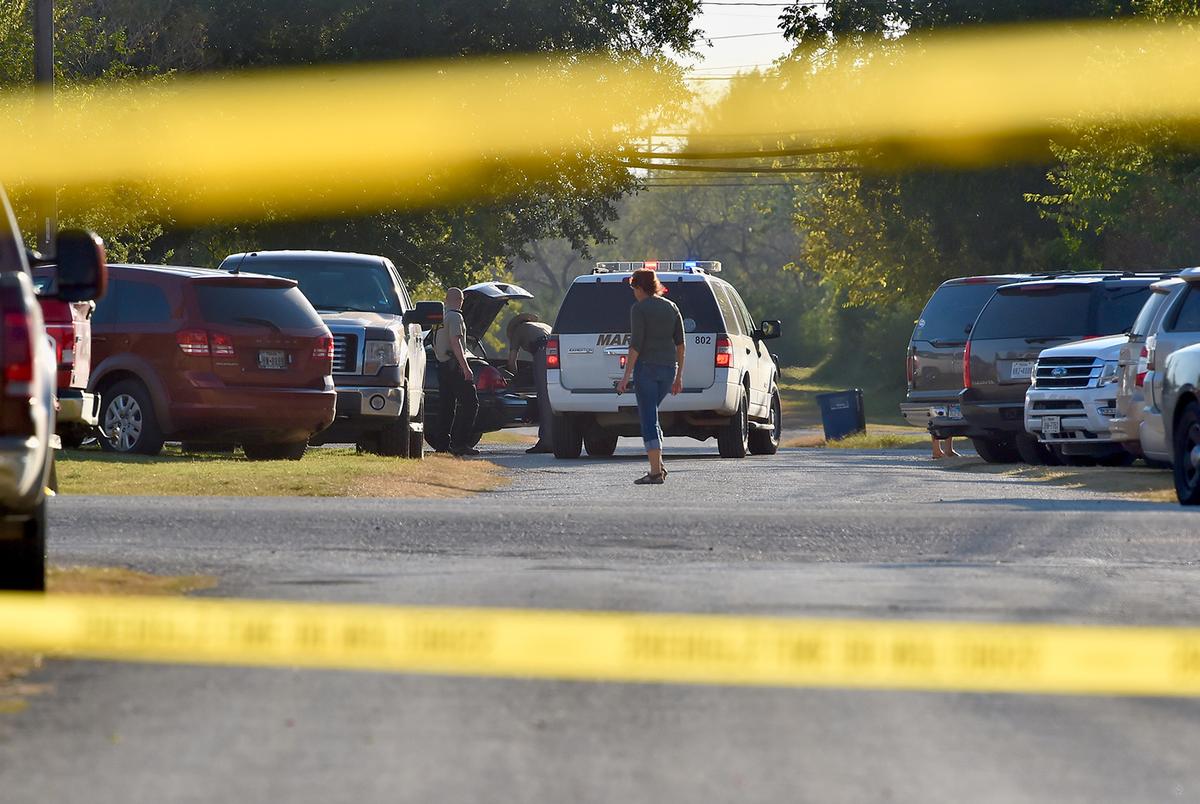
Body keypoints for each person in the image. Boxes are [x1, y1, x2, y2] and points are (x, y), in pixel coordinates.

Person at [616, 268, 685, 485]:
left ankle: (655, 472)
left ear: (639, 287)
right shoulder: (671, 307)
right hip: (668, 370)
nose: (633, 292)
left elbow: (636, 345)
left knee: (648, 418)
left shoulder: (639, 309)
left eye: (634, 288)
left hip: (646, 368)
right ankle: (660, 466)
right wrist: (678, 377)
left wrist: (626, 376)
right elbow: (681, 345)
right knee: (652, 413)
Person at [432, 287, 480, 456]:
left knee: (447, 406)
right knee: (470, 403)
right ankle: (460, 443)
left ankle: (442, 445)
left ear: (446, 299)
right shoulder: (456, 317)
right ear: (461, 301)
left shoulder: (440, 318)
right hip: (454, 365)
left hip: (442, 365)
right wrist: (466, 368)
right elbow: (456, 342)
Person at [506, 313, 554, 454]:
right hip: (558, 351)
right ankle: (557, 437)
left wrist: (514, 375)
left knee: (544, 398)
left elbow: (511, 361)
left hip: (542, 351)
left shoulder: (518, 331)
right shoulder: (543, 326)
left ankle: (547, 441)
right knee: (554, 396)